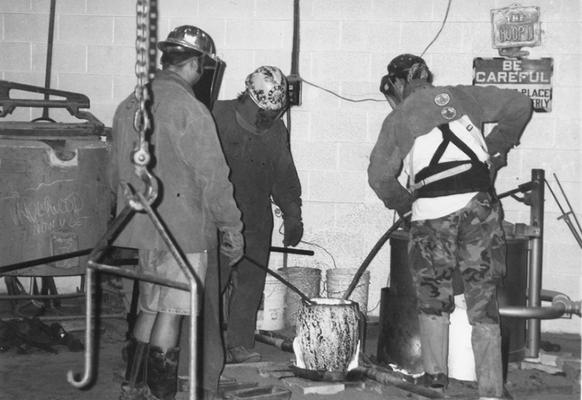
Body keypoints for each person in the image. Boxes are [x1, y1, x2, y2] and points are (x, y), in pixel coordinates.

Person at [368, 54, 532, 400]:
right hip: (477, 204)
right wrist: (495, 151)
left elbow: (380, 177)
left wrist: (404, 205)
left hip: (431, 211)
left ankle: (435, 378)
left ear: (396, 85)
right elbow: (520, 104)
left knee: (433, 297)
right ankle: (491, 388)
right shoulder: (462, 95)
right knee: (482, 296)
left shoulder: (399, 117)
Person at [109, 25, 244, 400]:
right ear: (197, 65)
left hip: (142, 229)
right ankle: (160, 393)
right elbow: (214, 178)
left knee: (150, 307)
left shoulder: (129, 103)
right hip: (182, 231)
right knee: (171, 311)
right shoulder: (189, 108)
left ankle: (132, 387)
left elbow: (112, 173)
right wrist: (231, 227)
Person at [212, 65, 303, 363]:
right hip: (216, 217)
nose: (267, 119)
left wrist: (293, 214)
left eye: (273, 113)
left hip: (256, 217)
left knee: (250, 284)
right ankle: (205, 347)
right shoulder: (215, 116)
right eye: (263, 112)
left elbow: (284, 175)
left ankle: (239, 343)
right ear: (248, 98)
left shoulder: (276, 130)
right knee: (212, 283)